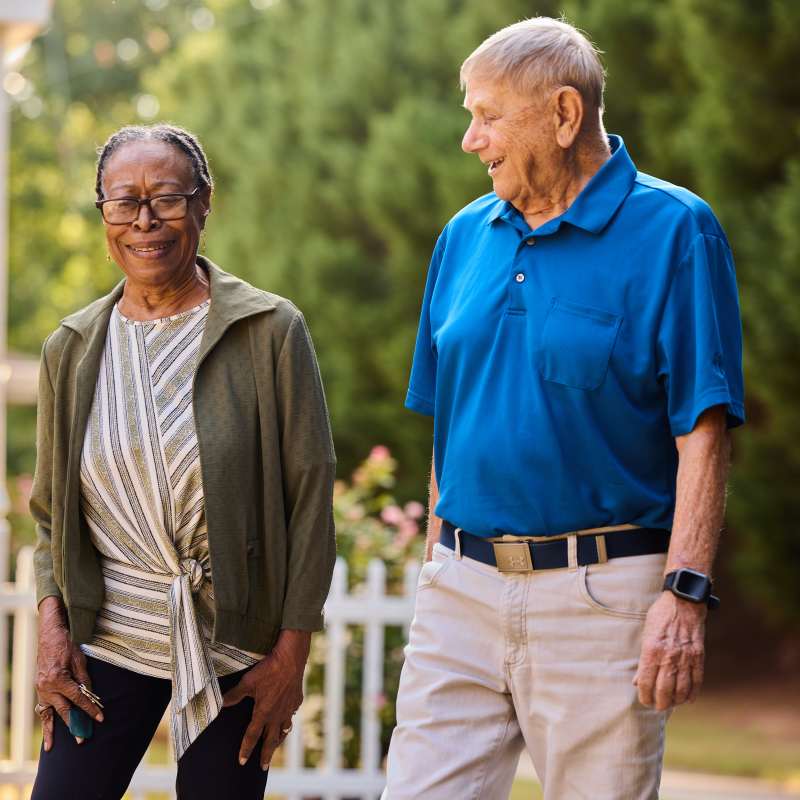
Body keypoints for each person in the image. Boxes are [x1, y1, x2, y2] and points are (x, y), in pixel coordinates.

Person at [383, 17, 744, 800]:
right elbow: (449, 413)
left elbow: (704, 430)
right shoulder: (463, 237)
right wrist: (440, 561)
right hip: (460, 594)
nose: (470, 139)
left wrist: (683, 594)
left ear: (565, 114)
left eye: (488, 115)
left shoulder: (676, 231)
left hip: (602, 599)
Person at [29, 124, 336, 800]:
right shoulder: (72, 347)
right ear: (103, 211)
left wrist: (291, 653)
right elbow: (51, 512)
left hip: (234, 640)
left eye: (167, 197)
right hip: (107, 637)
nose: (144, 221)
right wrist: (52, 633)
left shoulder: (269, 331)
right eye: (123, 202)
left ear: (204, 204)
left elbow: (310, 498)